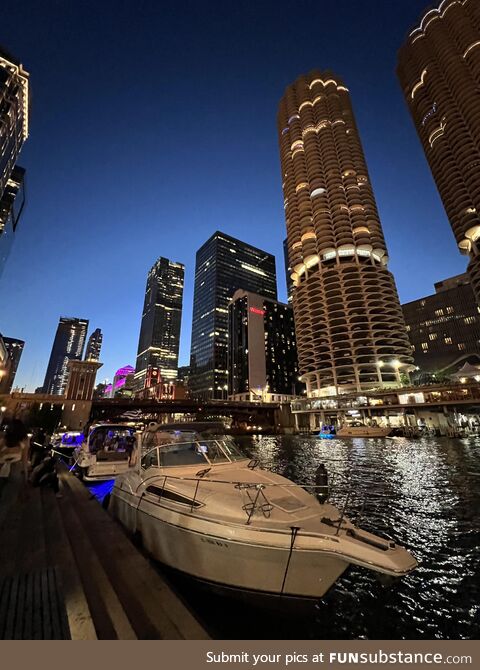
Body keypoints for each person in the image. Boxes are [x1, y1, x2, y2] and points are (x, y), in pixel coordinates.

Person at [0, 419, 30, 495]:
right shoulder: (24, 440)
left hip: (1, 466)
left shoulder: (4, 437)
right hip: (15, 469)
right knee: (10, 497)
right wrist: (26, 478)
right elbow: (24, 460)